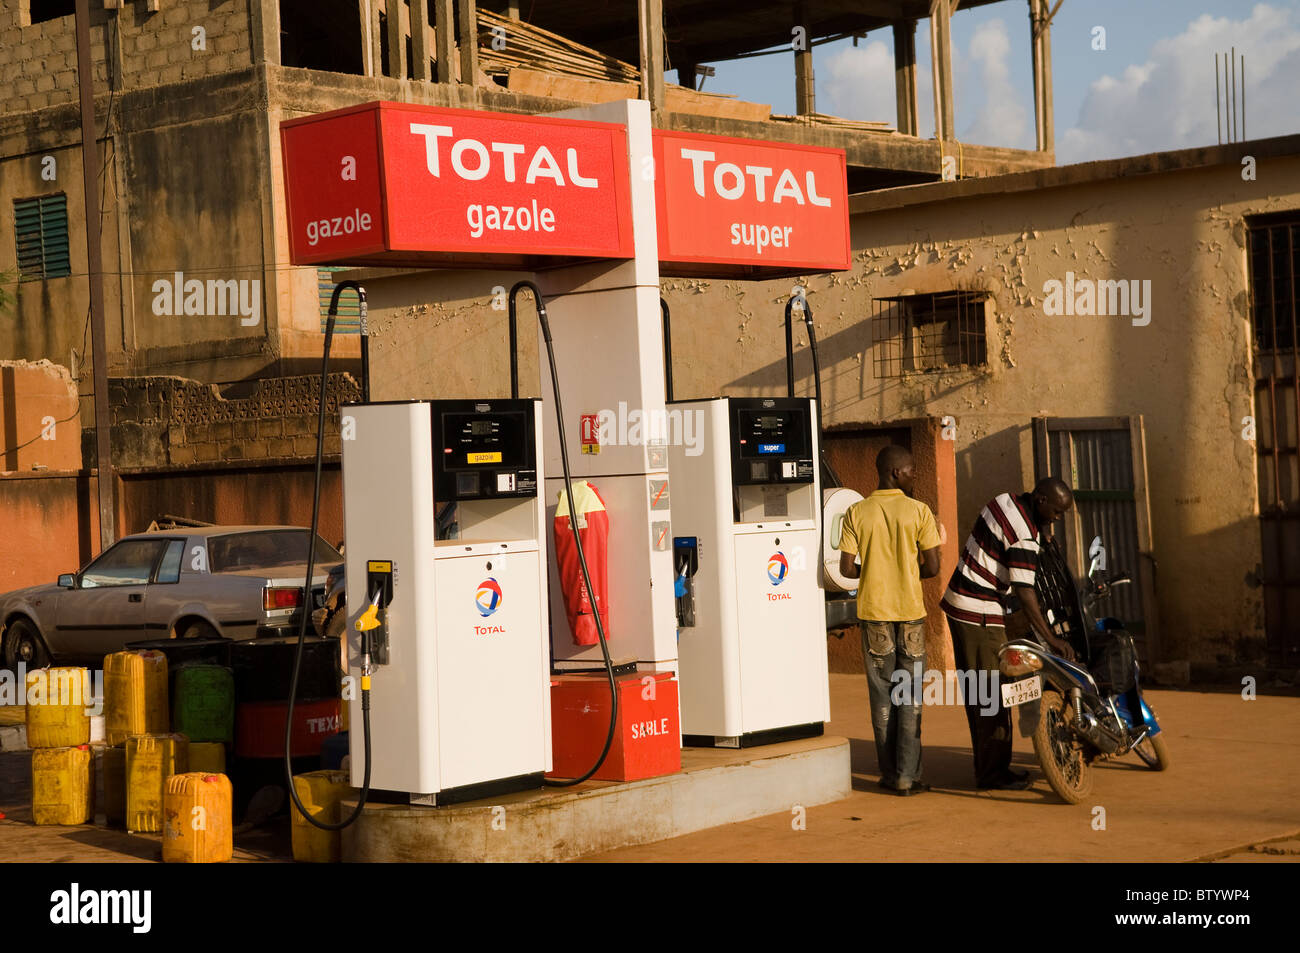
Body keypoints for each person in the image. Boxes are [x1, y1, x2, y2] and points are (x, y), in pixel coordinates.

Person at [940, 477, 1075, 791]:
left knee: (977, 694)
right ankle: (992, 775)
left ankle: (986, 767)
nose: (1057, 518)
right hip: (979, 613)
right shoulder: (1025, 537)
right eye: (1055, 511)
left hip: (959, 603)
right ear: (1040, 500)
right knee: (992, 696)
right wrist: (1052, 640)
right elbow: (1026, 593)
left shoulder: (1003, 500)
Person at [838, 445, 942, 796]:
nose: (916, 475)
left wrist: (876, 572)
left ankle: (888, 774)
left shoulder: (856, 512)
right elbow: (933, 566)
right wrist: (906, 573)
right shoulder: (919, 512)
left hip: (874, 617)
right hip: (911, 615)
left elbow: (847, 569)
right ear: (895, 472)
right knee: (910, 697)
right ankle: (906, 776)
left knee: (882, 698)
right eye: (912, 470)